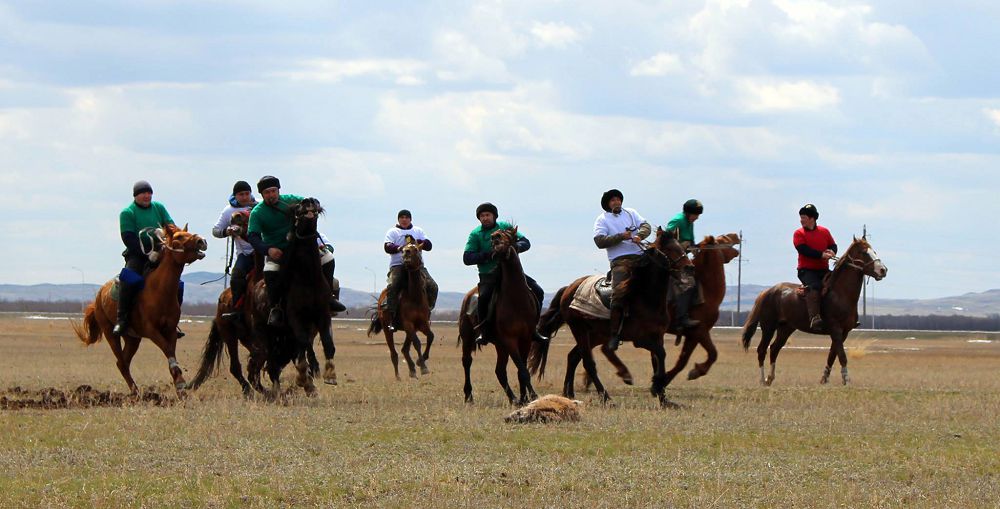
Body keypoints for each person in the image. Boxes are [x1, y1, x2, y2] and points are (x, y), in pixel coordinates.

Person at [246, 175, 346, 327]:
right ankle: (275, 307)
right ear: (261, 194)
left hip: (299, 249)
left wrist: (314, 206)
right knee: (270, 270)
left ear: (278, 190)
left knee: (328, 258)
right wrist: (268, 249)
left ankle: (329, 297)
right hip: (278, 251)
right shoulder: (257, 213)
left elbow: (309, 202)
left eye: (273, 191)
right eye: (267, 192)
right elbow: (253, 237)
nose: (271, 195)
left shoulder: (290, 199)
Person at [462, 202, 547, 346]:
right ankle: (484, 331)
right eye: (482, 216)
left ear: (494, 216)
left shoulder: (505, 227)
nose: (485, 218)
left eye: (488, 215)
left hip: (512, 273)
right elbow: (467, 258)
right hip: (488, 275)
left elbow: (526, 242)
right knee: (484, 298)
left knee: (538, 290)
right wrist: (489, 255)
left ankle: (534, 329)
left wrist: (514, 247)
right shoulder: (475, 234)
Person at [114, 180, 185, 338]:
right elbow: (128, 238)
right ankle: (122, 319)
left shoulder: (158, 207)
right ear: (136, 196)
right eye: (143, 193)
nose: (147, 196)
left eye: (149, 193)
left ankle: (173, 322)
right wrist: (146, 254)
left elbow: (171, 227)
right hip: (138, 254)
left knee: (177, 285)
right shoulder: (128, 213)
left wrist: (167, 236)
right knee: (128, 278)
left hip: (160, 252)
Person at [593, 189, 651, 352]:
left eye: (618, 199)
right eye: (613, 200)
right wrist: (621, 236)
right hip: (620, 261)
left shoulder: (631, 212)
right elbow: (599, 241)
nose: (617, 202)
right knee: (618, 294)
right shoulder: (602, 219)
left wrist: (640, 235)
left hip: (641, 255)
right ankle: (614, 335)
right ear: (607, 204)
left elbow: (645, 225)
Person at [382, 209, 439, 332]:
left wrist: (418, 242)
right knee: (393, 286)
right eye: (401, 217)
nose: (404, 219)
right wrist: (399, 247)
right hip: (398, 265)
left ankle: (427, 310)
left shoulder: (418, 231)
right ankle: (392, 317)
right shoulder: (393, 232)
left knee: (433, 286)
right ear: (398, 219)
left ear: (410, 219)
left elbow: (429, 245)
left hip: (418, 266)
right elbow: (387, 246)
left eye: (406, 217)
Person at [212, 180, 257, 322]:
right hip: (245, 254)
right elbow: (215, 230)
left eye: (247, 194)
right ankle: (237, 310)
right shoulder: (228, 211)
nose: (244, 197)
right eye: (241, 194)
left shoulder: (260, 206)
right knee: (237, 276)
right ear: (235, 196)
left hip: (265, 251)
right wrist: (227, 231)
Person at [794, 203, 837, 330]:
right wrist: (821, 255)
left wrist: (832, 252)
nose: (801, 220)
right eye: (801, 217)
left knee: (837, 284)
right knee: (815, 287)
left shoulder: (825, 231)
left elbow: (833, 245)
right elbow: (803, 250)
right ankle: (814, 318)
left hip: (823, 270)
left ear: (812, 218)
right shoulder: (798, 233)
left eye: (804, 217)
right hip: (806, 270)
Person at [665, 198, 703, 332]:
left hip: (683, 258)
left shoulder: (690, 222)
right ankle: (681, 318)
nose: (697, 218)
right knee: (689, 284)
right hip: (673, 262)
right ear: (688, 213)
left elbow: (690, 241)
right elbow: (666, 240)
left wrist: (695, 247)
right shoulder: (678, 220)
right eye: (696, 215)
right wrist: (683, 246)